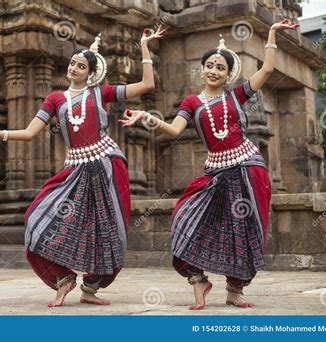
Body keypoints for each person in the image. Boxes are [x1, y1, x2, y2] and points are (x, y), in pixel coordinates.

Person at [0, 27, 165, 307]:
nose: (74, 68)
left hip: (107, 166)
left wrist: (144, 47)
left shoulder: (101, 93)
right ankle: (63, 278)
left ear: (91, 73)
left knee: (108, 230)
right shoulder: (55, 99)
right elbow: (29, 132)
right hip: (75, 170)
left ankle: (90, 288)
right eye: (72, 63)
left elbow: (146, 84)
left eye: (81, 65)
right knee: (35, 219)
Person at [119, 19, 298, 310]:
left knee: (242, 229)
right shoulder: (192, 102)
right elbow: (175, 130)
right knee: (184, 217)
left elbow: (266, 70)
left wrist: (272, 34)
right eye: (210, 65)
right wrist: (146, 117)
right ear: (201, 69)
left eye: (220, 67)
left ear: (228, 74)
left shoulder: (237, 95)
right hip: (215, 172)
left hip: (247, 168)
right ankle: (198, 280)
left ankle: (234, 290)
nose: (214, 71)